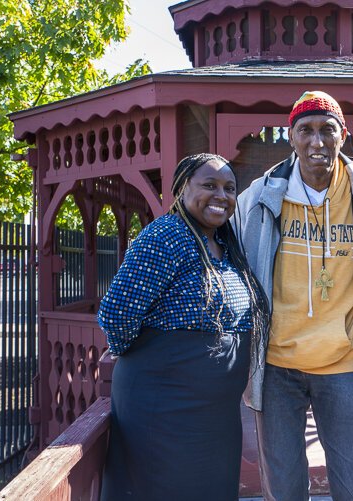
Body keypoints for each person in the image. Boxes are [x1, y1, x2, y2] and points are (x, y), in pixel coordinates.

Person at [234, 90, 353, 500]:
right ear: (291, 136)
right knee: (282, 490)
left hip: (345, 364)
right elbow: (218, 244)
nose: (316, 141)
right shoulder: (262, 195)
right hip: (277, 364)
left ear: (343, 135)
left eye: (327, 130)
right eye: (306, 131)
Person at [97, 153, 270, 500]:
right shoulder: (165, 236)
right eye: (209, 185)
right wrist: (154, 360)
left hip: (214, 415)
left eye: (229, 188)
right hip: (164, 408)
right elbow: (116, 314)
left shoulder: (224, 244)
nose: (221, 195)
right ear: (181, 188)